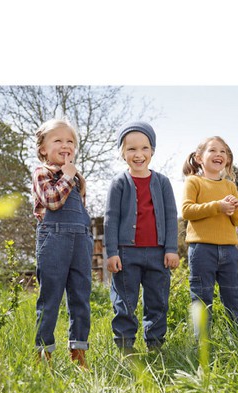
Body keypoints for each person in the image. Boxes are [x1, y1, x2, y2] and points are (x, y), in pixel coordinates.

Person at [104, 121, 179, 353]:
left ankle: (155, 345)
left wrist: (171, 248)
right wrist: (112, 253)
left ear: (152, 150)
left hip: (158, 253)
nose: (139, 154)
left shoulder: (163, 182)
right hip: (126, 253)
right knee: (125, 302)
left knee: (157, 301)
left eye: (144, 148)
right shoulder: (119, 183)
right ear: (122, 153)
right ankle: (125, 346)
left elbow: (170, 216)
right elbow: (111, 219)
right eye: (131, 149)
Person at [31, 118, 93, 368]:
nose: (65, 145)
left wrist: (72, 176)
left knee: (80, 296)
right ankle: (43, 354)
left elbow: (82, 211)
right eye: (58, 140)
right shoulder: (42, 173)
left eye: (70, 141)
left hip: (80, 240)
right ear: (43, 148)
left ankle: (78, 353)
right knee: (50, 298)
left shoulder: (77, 178)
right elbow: (52, 201)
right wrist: (67, 176)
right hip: (54, 239)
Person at [182, 136, 238, 337]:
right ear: (200, 158)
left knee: (233, 298)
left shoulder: (230, 186)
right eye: (213, 150)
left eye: (223, 152)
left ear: (227, 159)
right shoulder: (194, 181)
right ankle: (201, 347)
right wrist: (218, 206)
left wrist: (232, 208)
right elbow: (187, 210)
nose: (219, 154)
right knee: (201, 299)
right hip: (202, 250)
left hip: (229, 250)